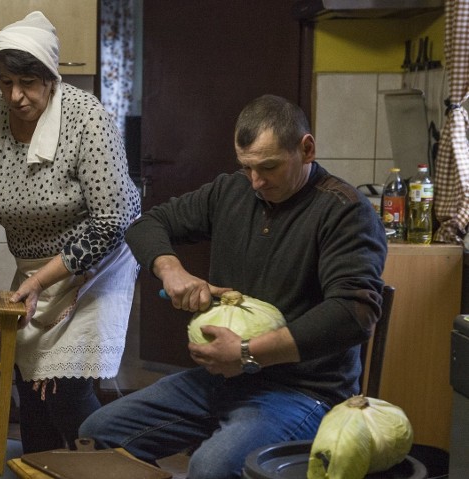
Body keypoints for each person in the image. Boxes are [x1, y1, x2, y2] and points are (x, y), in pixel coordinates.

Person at [78, 94, 388, 479]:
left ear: (306, 149)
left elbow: (354, 314)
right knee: (99, 432)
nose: (256, 181)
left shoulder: (345, 211)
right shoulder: (232, 190)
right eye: (247, 167)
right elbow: (147, 224)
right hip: (223, 380)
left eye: (268, 167)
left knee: (210, 468)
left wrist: (246, 353)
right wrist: (172, 270)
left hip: (303, 392)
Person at [0, 11, 141, 453]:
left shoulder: (87, 119)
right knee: (29, 382)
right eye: (6, 83)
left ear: (51, 77)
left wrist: (40, 281)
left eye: (29, 82)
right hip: (34, 268)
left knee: (62, 385)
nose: (17, 96)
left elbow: (111, 222)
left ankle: (113, 463)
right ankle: (40, 464)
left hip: (96, 263)